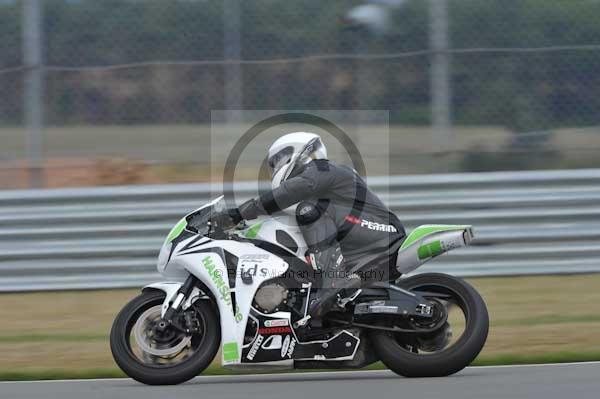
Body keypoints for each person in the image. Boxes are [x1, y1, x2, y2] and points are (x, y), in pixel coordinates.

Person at [217, 132, 405, 322]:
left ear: (297, 152)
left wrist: (241, 213)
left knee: (308, 210)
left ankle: (334, 280)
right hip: (365, 242)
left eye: (277, 160)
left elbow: (294, 189)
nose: (275, 167)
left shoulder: (322, 168)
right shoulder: (322, 182)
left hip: (381, 230)